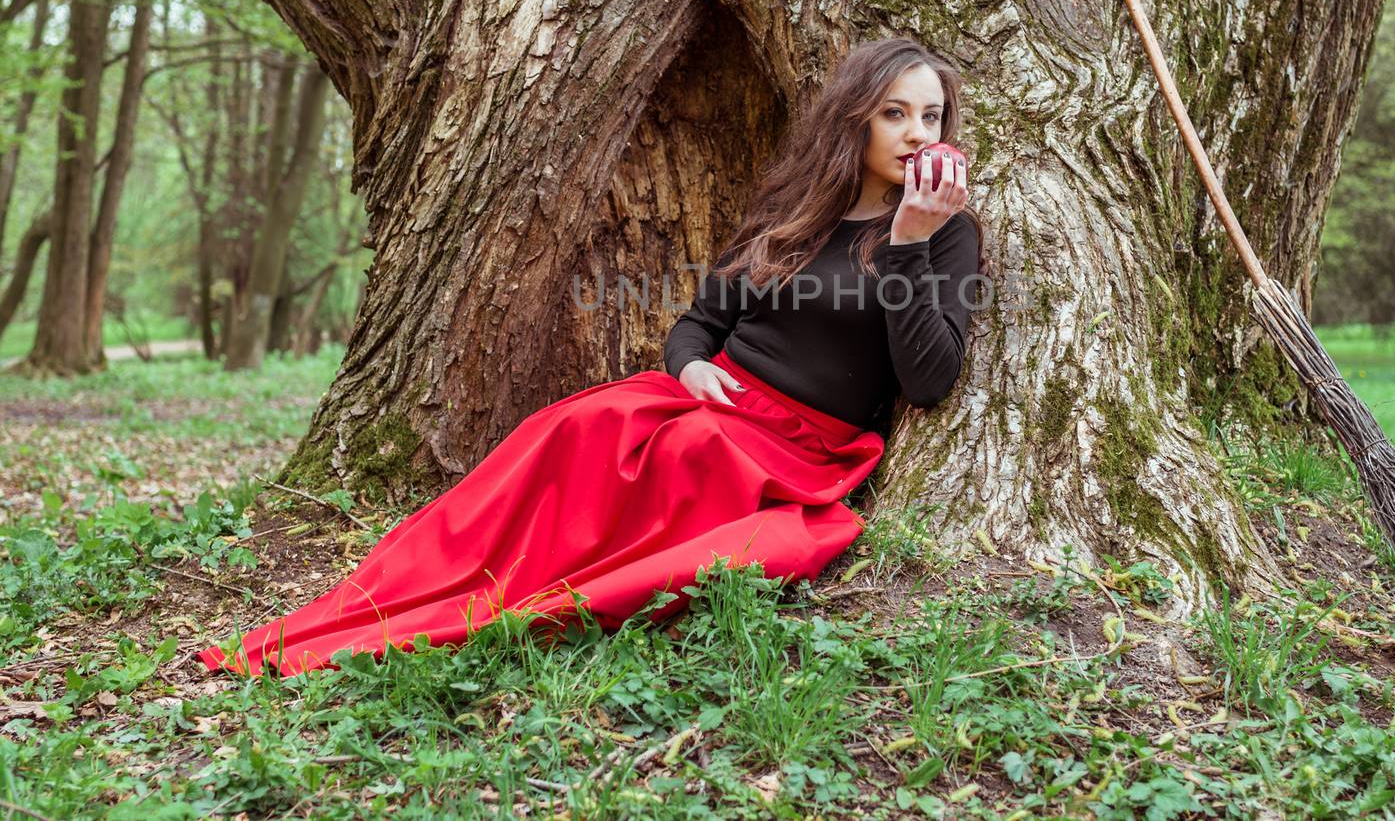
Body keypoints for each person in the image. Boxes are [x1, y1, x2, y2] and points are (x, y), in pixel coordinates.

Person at [197, 37, 986, 676]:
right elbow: (697, 324)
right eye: (895, 113)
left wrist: (911, 242)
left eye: (932, 116)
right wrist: (691, 368)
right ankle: (415, 588)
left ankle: (517, 600)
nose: (919, 133)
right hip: (709, 396)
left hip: (792, 448)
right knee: (572, 428)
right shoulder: (797, 211)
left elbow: (929, 377)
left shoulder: (946, 236)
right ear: (854, 121)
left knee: (683, 455)